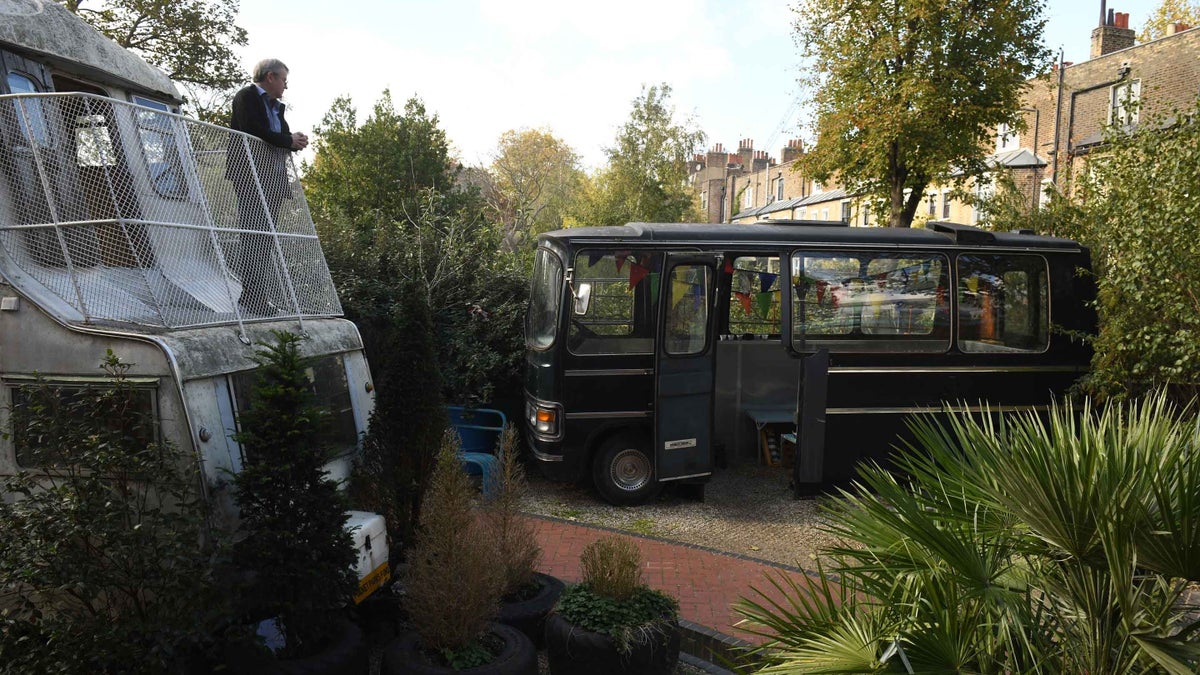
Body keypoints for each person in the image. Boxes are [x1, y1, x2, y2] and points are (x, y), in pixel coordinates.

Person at [226, 58, 308, 314]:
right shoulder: (246, 97)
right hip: (251, 178)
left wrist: (295, 140)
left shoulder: (276, 107)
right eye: (283, 79)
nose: (286, 86)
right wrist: (288, 140)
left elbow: (278, 136)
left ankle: (255, 297)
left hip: (272, 180)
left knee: (265, 240)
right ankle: (253, 299)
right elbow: (254, 130)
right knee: (254, 237)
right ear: (270, 77)